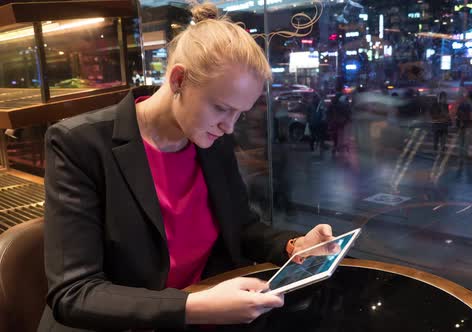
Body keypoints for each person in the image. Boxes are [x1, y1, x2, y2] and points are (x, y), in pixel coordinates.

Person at [40, 3, 335, 331]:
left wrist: (296, 246)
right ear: (178, 79)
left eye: (240, 114)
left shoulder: (211, 141)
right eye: (222, 108)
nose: (229, 127)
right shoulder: (79, 144)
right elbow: (74, 293)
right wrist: (195, 306)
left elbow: (242, 229)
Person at [455, 90, 472, 166]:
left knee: (461, 142)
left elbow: (457, 115)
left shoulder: (461, 104)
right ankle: (463, 159)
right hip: (469, 126)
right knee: (466, 143)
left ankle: (459, 157)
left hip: (461, 126)